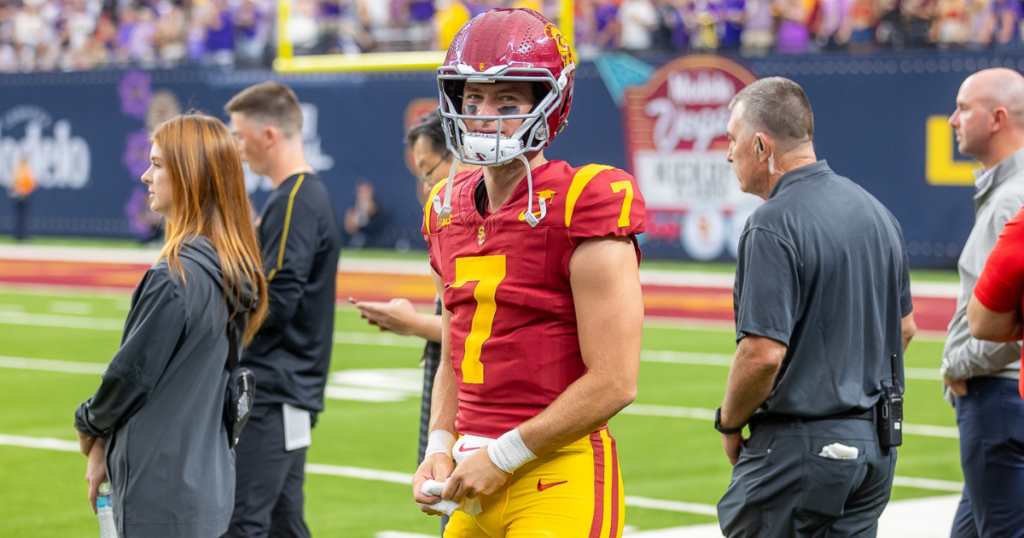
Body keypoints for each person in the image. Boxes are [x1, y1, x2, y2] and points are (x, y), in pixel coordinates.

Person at [411, 9, 646, 538]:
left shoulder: (585, 199)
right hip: (471, 477)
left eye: (507, 101)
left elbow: (615, 381)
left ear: (550, 106)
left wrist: (504, 455)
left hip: (555, 473)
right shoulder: (444, 208)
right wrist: (439, 446)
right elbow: (454, 346)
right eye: (472, 100)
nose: (483, 115)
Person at [715, 77, 917, 537]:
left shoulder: (772, 223)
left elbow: (763, 353)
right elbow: (904, 329)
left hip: (800, 452)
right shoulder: (878, 212)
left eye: (732, 139)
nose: (729, 154)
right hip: (874, 450)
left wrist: (729, 421)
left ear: (762, 146)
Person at [73, 113, 268, 538]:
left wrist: (89, 424)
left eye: (158, 164)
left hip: (161, 496)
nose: (146, 175)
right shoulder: (232, 270)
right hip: (208, 485)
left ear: (191, 177)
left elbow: (127, 378)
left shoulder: (175, 276)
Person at [223, 81, 343, 538]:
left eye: (239, 134)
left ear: (268, 135)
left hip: (274, 391)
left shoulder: (293, 200)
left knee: (243, 523)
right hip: (289, 390)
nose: (236, 148)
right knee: (282, 522)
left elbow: (279, 301)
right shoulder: (300, 197)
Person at [943, 68, 1024, 538]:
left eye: (964, 107)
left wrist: (958, 363)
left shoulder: (1011, 201)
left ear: (997, 118)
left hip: (996, 395)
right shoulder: (1006, 195)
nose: (953, 118)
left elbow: (1006, 323)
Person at [9, 156, 35, 241]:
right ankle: (20, 236)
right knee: (21, 217)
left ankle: (20, 235)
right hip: (21, 196)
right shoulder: (22, 170)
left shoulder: (20, 170)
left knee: (21, 217)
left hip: (22, 195)